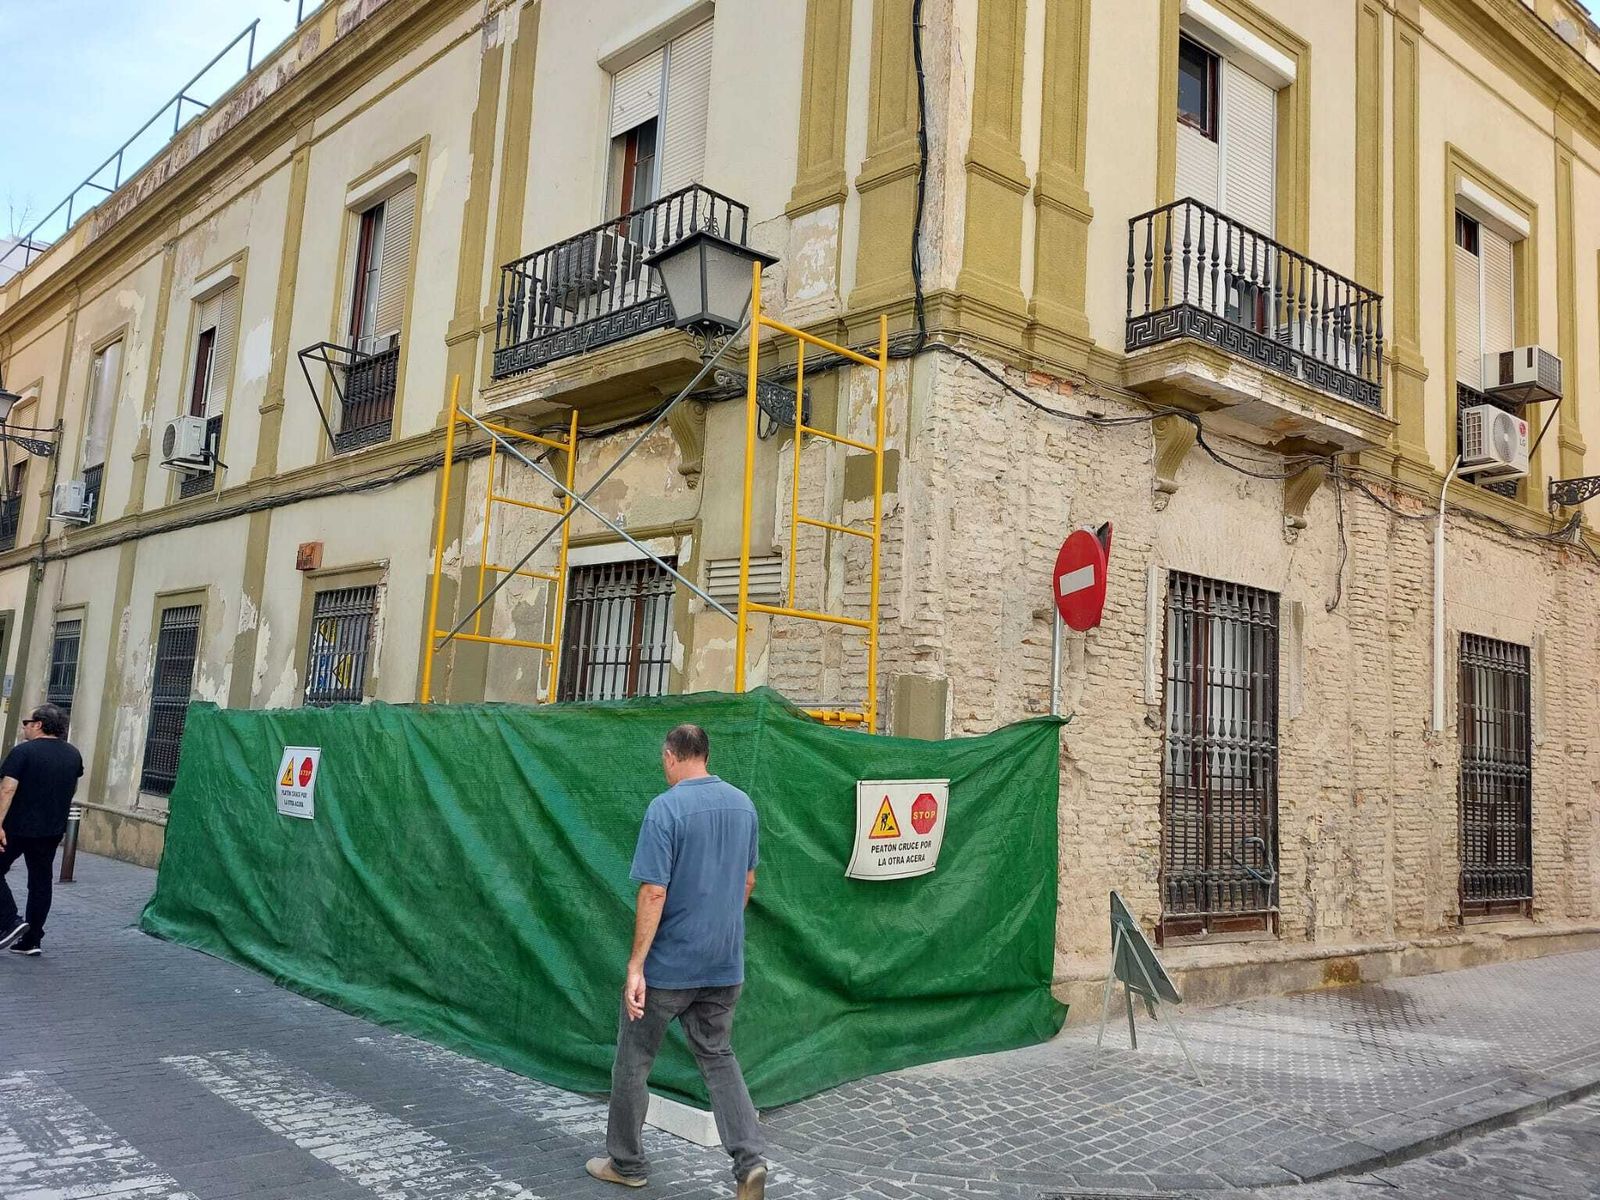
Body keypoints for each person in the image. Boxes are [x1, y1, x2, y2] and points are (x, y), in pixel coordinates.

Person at [586, 723, 768, 1198]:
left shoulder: (665, 809)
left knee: (633, 1061)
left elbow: (654, 890)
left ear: (670, 756)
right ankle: (749, 1160)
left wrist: (636, 966)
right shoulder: (743, 805)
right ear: (705, 755)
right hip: (725, 964)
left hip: (669, 966)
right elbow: (747, 883)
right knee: (719, 1057)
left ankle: (627, 1163)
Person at [0, 704, 84, 956]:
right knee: (40, 882)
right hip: (51, 829)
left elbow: (7, 789)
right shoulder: (73, 754)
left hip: (17, 827)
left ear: (38, 724)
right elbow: (72, 787)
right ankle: (32, 939)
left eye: (27, 722)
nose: (24, 726)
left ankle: (10, 921)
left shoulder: (23, 752)